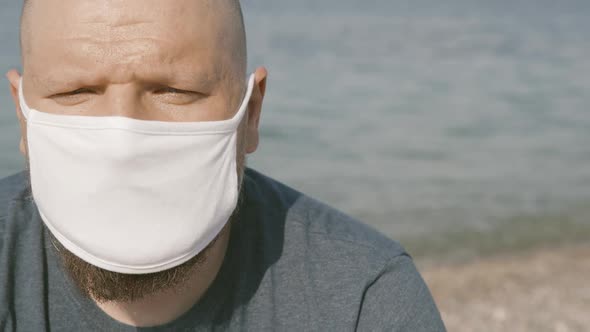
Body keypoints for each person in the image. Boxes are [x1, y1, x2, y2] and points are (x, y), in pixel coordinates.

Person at [0, 0, 446, 330]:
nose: (123, 143)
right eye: (74, 92)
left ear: (250, 114)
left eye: (175, 90)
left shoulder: (363, 300)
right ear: (23, 115)